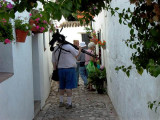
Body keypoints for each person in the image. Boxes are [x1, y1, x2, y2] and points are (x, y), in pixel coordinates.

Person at [52, 34, 81, 109]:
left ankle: (61, 102)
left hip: (60, 70)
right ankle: (69, 103)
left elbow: (54, 61)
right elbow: (76, 55)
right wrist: (80, 49)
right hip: (70, 69)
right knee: (68, 87)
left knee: (61, 86)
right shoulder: (69, 47)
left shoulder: (55, 49)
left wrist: (55, 70)